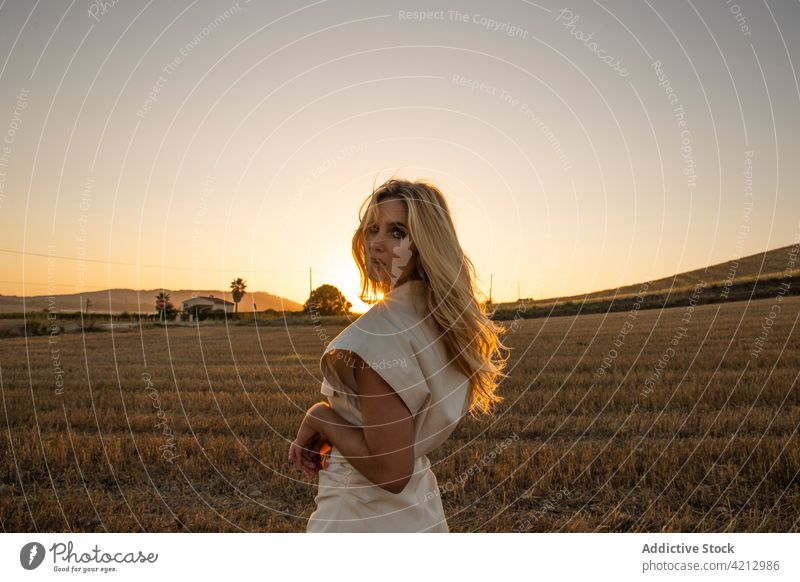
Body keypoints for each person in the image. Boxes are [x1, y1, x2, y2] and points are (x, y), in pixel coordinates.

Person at [288, 177, 511, 532]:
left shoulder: (377, 336)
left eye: (396, 232)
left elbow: (390, 472)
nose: (376, 243)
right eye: (372, 229)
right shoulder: (443, 323)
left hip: (360, 521)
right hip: (418, 512)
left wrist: (320, 416)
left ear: (426, 244)